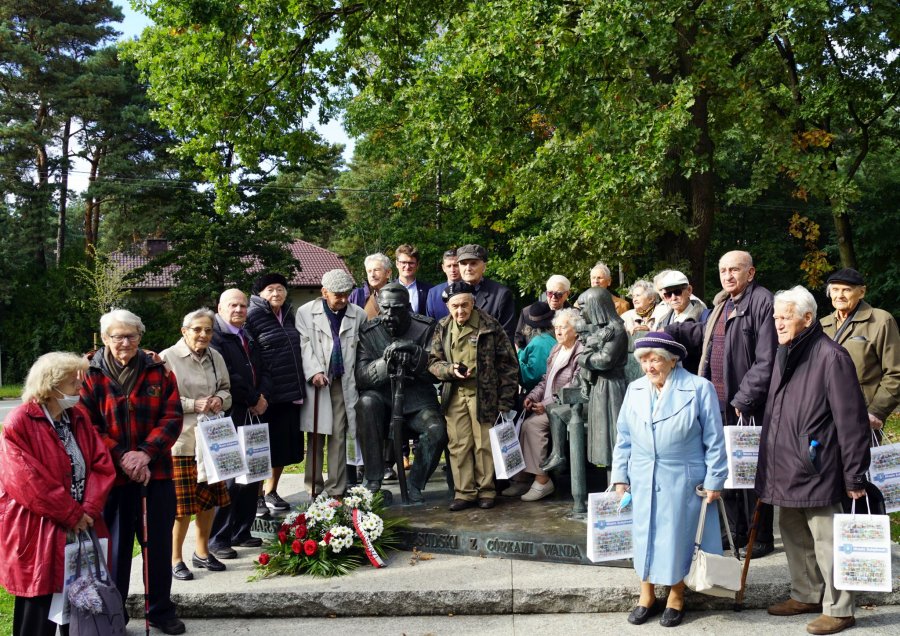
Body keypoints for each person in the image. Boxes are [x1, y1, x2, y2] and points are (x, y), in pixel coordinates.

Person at [758, 286, 870, 636]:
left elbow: (851, 422)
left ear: (807, 318)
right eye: (775, 317)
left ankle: (839, 609)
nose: (778, 323)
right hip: (786, 467)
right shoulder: (784, 352)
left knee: (829, 541)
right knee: (793, 535)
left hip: (817, 467)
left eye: (785, 316)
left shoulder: (831, 356)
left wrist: (855, 476)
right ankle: (805, 594)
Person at [666, 250, 778, 559]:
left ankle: (760, 536)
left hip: (746, 405)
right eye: (723, 270)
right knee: (726, 471)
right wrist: (671, 330)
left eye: (735, 270)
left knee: (752, 473)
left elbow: (767, 359)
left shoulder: (762, 302)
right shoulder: (722, 304)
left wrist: (744, 397)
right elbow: (706, 336)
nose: (728, 275)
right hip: (716, 402)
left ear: (750, 273)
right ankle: (736, 532)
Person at [80, 309, 185, 635]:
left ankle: (159, 610)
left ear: (140, 336)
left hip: (157, 474)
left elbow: (172, 417)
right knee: (116, 550)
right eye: (117, 336)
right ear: (105, 338)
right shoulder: (89, 372)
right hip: (111, 478)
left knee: (156, 545)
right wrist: (123, 456)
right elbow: (88, 424)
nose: (124, 342)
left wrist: (145, 454)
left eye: (131, 336)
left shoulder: (159, 369)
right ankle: (116, 612)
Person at [612, 333, 727, 628]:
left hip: (683, 476)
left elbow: (714, 439)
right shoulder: (635, 389)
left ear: (673, 360)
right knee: (644, 535)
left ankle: (677, 594)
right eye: (644, 360)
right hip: (642, 474)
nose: (649, 366)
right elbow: (623, 437)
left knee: (678, 536)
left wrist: (715, 478)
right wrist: (620, 475)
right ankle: (646, 594)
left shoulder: (699, 388)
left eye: (656, 359)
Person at [0, 352, 116, 636]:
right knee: (38, 601)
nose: (81, 386)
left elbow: (102, 464)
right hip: (39, 528)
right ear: (51, 385)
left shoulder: (77, 417)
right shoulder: (20, 422)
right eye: (73, 380)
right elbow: (26, 481)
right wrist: (71, 513)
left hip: (82, 524)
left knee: (78, 600)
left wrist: (87, 509)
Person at [428, 281, 519, 511]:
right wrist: (450, 370)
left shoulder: (490, 325)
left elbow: (508, 364)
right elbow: (432, 362)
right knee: (458, 444)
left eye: (465, 305)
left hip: (484, 394)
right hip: (455, 393)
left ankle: (486, 490)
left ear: (473, 303)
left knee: (483, 444)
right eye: (455, 306)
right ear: (448, 306)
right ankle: (464, 492)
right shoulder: (443, 327)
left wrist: (505, 399)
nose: (461, 311)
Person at [356, 282, 448, 502]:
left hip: (418, 402)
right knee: (366, 403)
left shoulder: (426, 327)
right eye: (385, 308)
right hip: (383, 402)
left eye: (396, 308)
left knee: (437, 430)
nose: (389, 314)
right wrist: (386, 363)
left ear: (407, 306)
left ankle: (415, 484)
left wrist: (416, 355)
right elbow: (361, 376)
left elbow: (436, 372)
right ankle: (373, 482)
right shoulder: (369, 332)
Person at [160, 308, 233, 581]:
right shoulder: (168, 358)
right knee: (181, 508)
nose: (203, 335)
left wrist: (219, 400)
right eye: (197, 330)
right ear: (184, 331)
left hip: (213, 440)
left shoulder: (216, 356)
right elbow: (161, 401)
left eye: (208, 330)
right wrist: (193, 404)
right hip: (183, 441)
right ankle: (175, 558)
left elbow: (227, 390)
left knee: (210, 501)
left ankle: (202, 552)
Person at [209, 289, 271, 558]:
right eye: (233, 305)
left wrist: (263, 395)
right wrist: (254, 397)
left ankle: (241, 531)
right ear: (220, 308)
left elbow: (262, 368)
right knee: (230, 477)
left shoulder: (246, 335)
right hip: (231, 412)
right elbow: (229, 376)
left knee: (252, 473)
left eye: (243, 306)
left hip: (253, 411)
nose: (238, 310)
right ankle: (219, 538)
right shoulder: (215, 337)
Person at [543, 287, 628, 479]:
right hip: (599, 388)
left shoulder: (616, 330)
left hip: (611, 390)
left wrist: (584, 357)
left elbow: (604, 361)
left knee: (612, 442)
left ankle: (616, 487)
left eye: (583, 307)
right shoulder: (601, 331)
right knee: (604, 446)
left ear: (596, 306)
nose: (581, 312)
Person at [296, 269, 367, 498]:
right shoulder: (305, 312)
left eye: (347, 294)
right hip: (316, 384)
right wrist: (314, 371)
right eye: (338, 295)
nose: (344, 299)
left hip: (343, 383)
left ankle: (336, 487)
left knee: (338, 434)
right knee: (315, 435)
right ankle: (314, 487)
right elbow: (304, 345)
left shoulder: (358, 314)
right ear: (324, 292)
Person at [503, 308, 583, 502]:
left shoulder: (580, 351)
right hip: (549, 405)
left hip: (568, 407)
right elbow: (545, 380)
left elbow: (574, 385)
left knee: (533, 426)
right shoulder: (557, 349)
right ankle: (522, 478)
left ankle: (542, 480)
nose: (558, 331)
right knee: (522, 425)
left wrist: (546, 405)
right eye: (556, 328)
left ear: (576, 329)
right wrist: (532, 396)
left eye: (563, 327)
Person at [245, 273, 306, 515]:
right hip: (266, 395)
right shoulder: (252, 316)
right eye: (270, 289)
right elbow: (252, 356)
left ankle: (272, 490)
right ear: (260, 294)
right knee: (262, 448)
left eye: (280, 289)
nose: (276, 294)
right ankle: (257, 495)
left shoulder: (288, 314)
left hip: (290, 392)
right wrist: (260, 393)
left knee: (283, 447)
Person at [820, 268, 900, 432]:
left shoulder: (880, 321)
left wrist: (876, 411)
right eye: (835, 289)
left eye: (846, 290)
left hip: (861, 417)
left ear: (862, 292)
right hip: (823, 416)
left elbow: (895, 373)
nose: (840, 295)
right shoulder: (822, 325)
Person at [456, 244, 517, 343]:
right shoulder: (451, 294)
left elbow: (507, 338)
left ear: (484, 267)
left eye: (473, 263)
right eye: (463, 263)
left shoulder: (501, 295)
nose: (468, 268)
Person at [514, 274, 572, 350]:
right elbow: (518, 340)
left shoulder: (574, 314)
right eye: (550, 293)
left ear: (567, 294)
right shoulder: (528, 313)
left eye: (558, 294)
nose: (553, 297)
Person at [516, 302, 558, 391]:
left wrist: (517, 358)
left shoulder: (538, 343)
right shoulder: (553, 339)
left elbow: (533, 378)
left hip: (540, 397)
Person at [349, 253, 393, 319]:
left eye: (376, 270)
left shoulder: (398, 295)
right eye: (369, 271)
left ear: (388, 273)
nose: (372, 275)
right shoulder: (357, 295)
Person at [395, 244, 432, 315]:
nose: (407, 266)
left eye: (411, 263)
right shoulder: (388, 289)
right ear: (397, 264)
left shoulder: (429, 290)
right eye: (403, 262)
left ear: (417, 265)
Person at [425, 249, 461, 321]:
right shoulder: (433, 293)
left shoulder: (471, 289)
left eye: (455, 265)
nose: (452, 270)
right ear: (443, 268)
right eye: (449, 266)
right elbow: (430, 322)